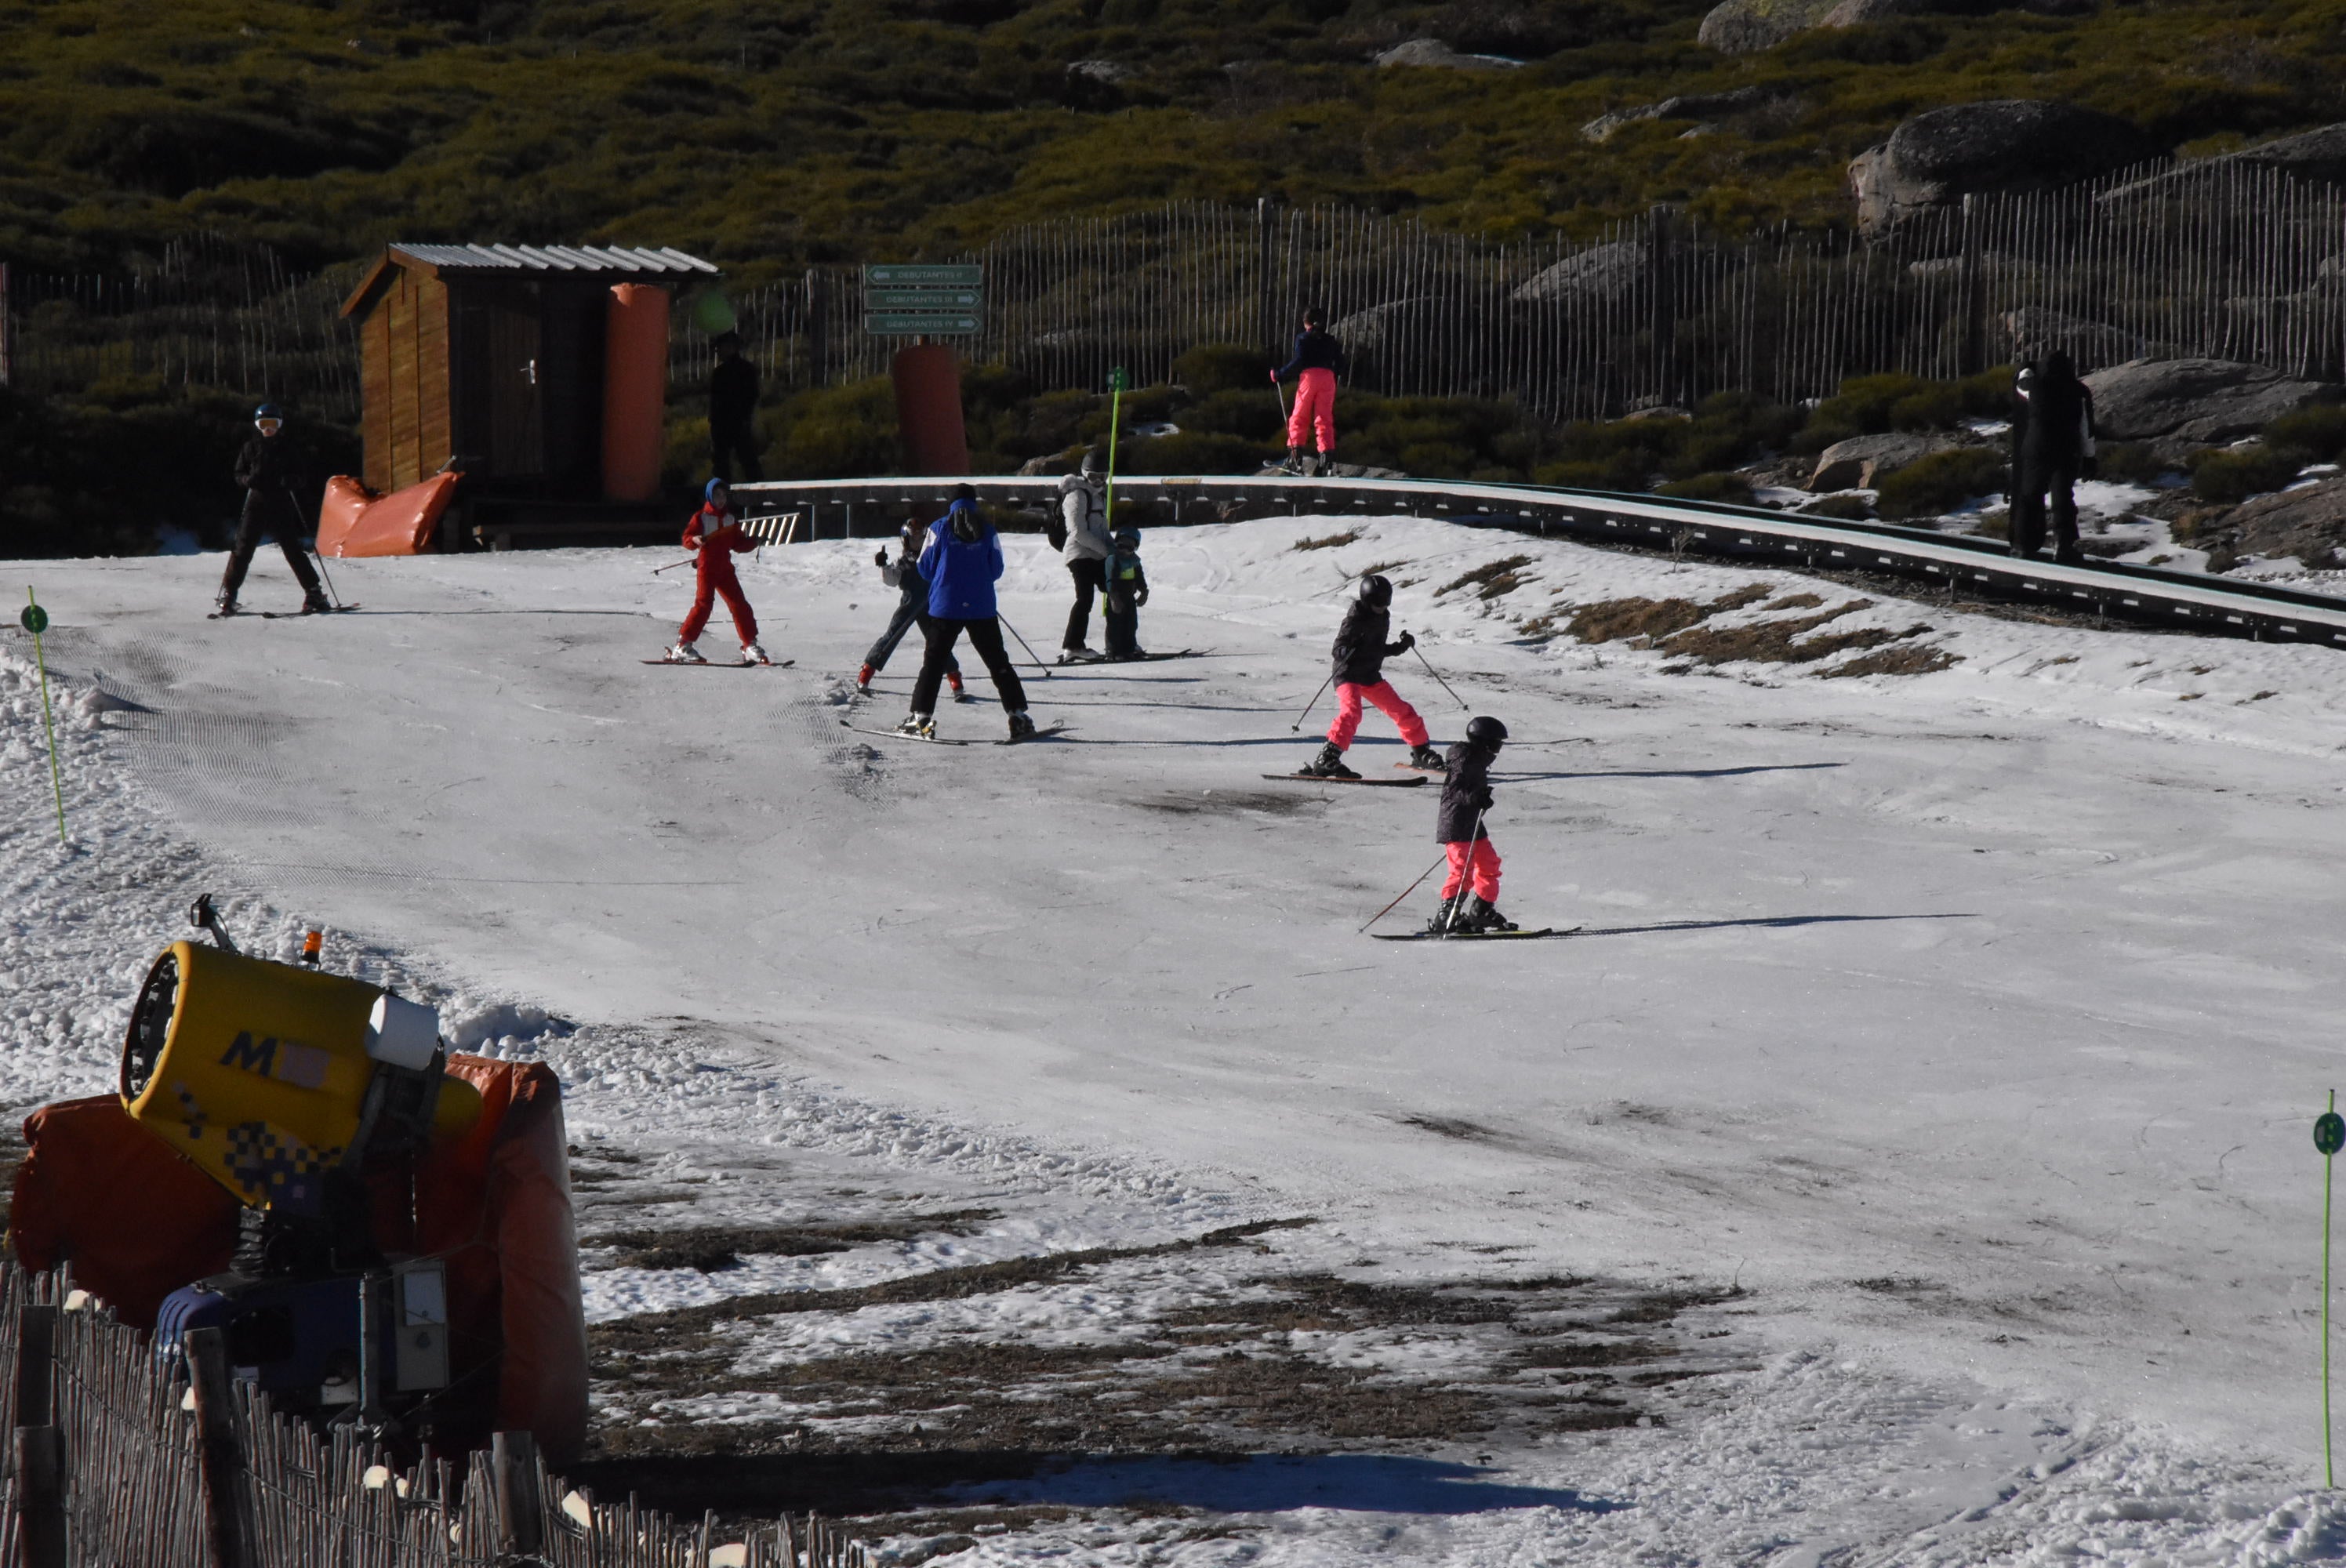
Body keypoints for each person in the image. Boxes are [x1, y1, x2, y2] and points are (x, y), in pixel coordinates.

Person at [901, 485, 1037, 742]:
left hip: (945, 606)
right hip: (981, 607)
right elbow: (996, 569)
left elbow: (925, 568)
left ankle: (921, 718)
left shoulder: (939, 528)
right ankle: (1018, 716)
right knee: (998, 663)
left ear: (950, 503)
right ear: (975, 502)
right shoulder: (987, 528)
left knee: (933, 664)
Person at [1298, 574, 1444, 778]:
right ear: (1366, 601)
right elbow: (1337, 649)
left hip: (1369, 675)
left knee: (1403, 711)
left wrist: (1401, 646)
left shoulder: (1383, 617)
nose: (1381, 607)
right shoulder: (1354, 619)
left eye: (1385, 603)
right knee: (1352, 713)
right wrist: (1349, 650)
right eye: (1377, 603)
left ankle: (1421, 752)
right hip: (1347, 674)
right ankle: (1327, 759)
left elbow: (1377, 649)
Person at [216, 403, 329, 617]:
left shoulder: (288, 448)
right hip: (256, 501)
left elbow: (301, 476)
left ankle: (314, 593)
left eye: (273, 424)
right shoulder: (250, 447)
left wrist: (287, 481)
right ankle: (229, 594)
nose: (269, 429)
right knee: (243, 548)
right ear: (258, 425)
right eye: (264, 424)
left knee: (292, 549)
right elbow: (238, 473)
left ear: (279, 425)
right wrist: (247, 480)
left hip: (280, 501)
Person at [857, 519, 965, 700]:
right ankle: (867, 671)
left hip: (931, 605)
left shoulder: (931, 558)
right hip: (909, 604)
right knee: (891, 636)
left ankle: (954, 677)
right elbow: (892, 580)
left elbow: (945, 574)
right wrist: (883, 565)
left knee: (938, 642)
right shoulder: (903, 561)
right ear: (905, 540)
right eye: (912, 539)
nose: (916, 543)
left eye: (919, 539)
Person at [667, 478, 772, 665]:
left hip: (725, 568)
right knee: (704, 605)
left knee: (740, 605)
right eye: (717, 495)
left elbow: (738, 544)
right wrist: (695, 540)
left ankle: (749, 645)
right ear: (709, 496)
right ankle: (682, 645)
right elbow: (686, 539)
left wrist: (754, 541)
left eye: (724, 495)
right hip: (707, 567)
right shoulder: (701, 517)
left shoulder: (731, 519)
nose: (721, 499)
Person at [2009, 348, 2097, 565]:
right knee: (2063, 498)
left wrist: (2027, 367)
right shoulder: (2079, 390)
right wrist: (2089, 456)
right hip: (2066, 448)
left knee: (2029, 496)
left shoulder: (2034, 387)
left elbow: (2021, 383)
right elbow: (2086, 427)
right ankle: (2064, 546)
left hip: (2036, 449)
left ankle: (2023, 546)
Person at [1429, 716, 1515, 934]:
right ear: (1486, 741)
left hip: (1472, 822)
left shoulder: (1476, 759)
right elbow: (1453, 791)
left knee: (1489, 864)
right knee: (1461, 872)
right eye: (1497, 743)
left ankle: (1481, 912)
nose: (1498, 749)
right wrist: (1476, 797)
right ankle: (1446, 917)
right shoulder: (1465, 760)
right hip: (1456, 823)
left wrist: (1479, 799)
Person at [1271, 304, 1347, 477]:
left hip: (1309, 378)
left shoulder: (1303, 339)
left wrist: (1279, 374)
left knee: (1300, 416)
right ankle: (1326, 461)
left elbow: (1298, 362)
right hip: (1328, 378)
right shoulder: (1330, 340)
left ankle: (1295, 458)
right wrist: (1332, 372)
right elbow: (1341, 363)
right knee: (1324, 419)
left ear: (1306, 322)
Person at [1057, 448, 1112, 661]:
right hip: (1079, 555)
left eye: (1102, 476)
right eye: (1093, 477)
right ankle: (1073, 646)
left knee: (1116, 591)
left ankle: (1120, 641)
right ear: (1084, 474)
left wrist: (1114, 550)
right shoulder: (1077, 495)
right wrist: (1106, 551)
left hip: (1096, 554)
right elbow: (1078, 531)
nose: (1098, 481)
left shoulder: (1099, 495)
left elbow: (1102, 529)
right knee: (1085, 599)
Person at [707, 332, 763, 485]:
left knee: (744, 461)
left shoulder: (742, 370)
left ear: (731, 347)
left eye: (720, 348)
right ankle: (726, 499)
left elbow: (752, 396)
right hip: (727, 424)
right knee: (725, 464)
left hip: (736, 423)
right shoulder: (722, 372)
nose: (718, 352)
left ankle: (756, 498)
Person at [1103, 526, 1149, 660]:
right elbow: (1111, 579)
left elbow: (1140, 577)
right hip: (1117, 597)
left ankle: (1129, 648)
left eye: (1130, 547)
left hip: (1129, 598)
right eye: (1121, 545)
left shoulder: (1135, 561)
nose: (1125, 550)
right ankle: (1114, 651)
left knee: (1131, 623)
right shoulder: (1113, 559)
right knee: (1115, 624)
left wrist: (1144, 591)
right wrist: (1113, 597)